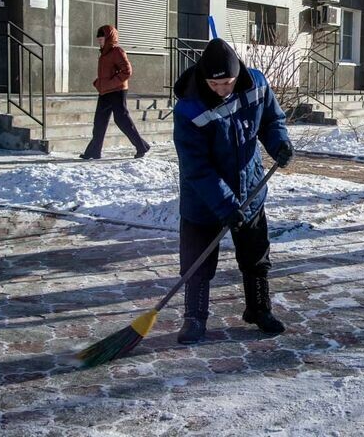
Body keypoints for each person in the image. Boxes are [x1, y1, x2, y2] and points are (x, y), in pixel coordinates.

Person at [172, 38, 294, 344]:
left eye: (227, 82)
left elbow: (271, 120)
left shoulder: (256, 84)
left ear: (238, 74)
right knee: (198, 262)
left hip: (249, 188)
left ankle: (259, 308)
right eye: (215, 84)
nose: (222, 89)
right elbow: (196, 167)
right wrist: (224, 204)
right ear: (203, 78)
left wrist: (279, 143)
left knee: (255, 256)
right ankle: (194, 318)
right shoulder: (189, 108)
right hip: (204, 198)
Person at [80, 25, 150, 160]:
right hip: (105, 91)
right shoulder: (104, 53)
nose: (99, 42)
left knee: (122, 120)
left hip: (118, 91)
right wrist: (99, 83)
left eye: (102, 39)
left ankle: (141, 147)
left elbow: (127, 71)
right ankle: (94, 152)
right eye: (98, 39)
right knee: (99, 122)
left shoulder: (117, 51)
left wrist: (110, 83)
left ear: (109, 38)